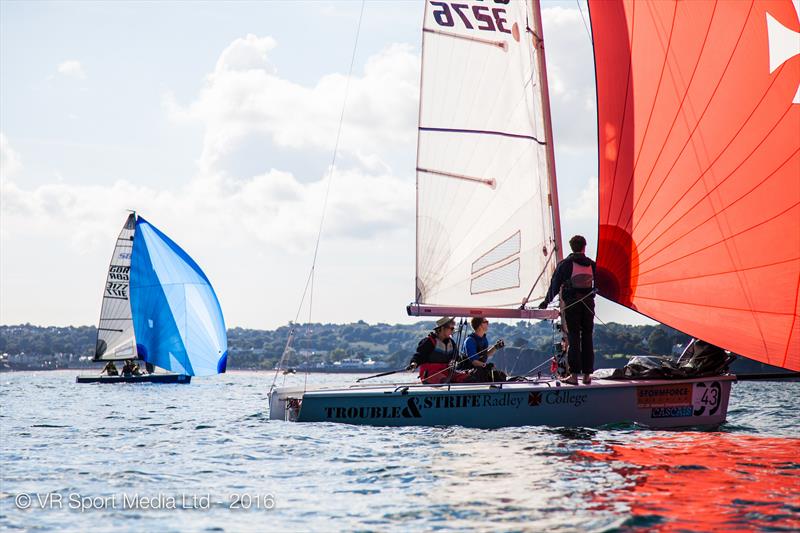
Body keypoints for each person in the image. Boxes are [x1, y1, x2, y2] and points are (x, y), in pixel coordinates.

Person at [539, 235, 596, 385]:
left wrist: (546, 302)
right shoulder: (592, 264)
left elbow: (555, 284)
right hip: (588, 305)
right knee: (588, 337)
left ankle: (574, 376)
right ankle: (587, 376)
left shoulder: (566, 264)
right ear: (585, 246)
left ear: (571, 247)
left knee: (574, 338)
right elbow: (599, 284)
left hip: (572, 305)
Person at [407, 317, 472, 384]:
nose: (453, 331)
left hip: (446, 372)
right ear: (442, 328)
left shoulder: (451, 343)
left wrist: (468, 363)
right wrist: (414, 363)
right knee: (444, 380)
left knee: (469, 379)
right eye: (451, 328)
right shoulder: (429, 341)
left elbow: (457, 358)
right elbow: (419, 355)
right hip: (430, 374)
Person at [461, 317, 507, 382]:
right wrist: (486, 365)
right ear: (480, 325)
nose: (488, 324)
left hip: (481, 370)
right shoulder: (469, 341)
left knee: (501, 376)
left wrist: (496, 347)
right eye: (486, 322)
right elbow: (474, 362)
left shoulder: (484, 339)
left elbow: (485, 355)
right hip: (471, 372)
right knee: (481, 374)